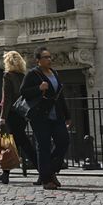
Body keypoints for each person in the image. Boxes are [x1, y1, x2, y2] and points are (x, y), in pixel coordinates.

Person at [20, 46, 70, 191]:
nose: (49, 59)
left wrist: (67, 115)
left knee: (64, 141)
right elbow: (23, 92)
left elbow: (60, 96)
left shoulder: (54, 73)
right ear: (38, 60)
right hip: (40, 116)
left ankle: (50, 170)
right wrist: (39, 88)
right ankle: (46, 179)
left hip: (57, 115)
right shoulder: (33, 74)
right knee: (43, 147)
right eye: (45, 57)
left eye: (50, 57)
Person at [0, 49, 36, 183]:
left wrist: (2, 117)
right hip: (22, 113)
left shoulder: (8, 76)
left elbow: (7, 98)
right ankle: (5, 173)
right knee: (16, 142)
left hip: (12, 114)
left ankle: (42, 169)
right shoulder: (23, 76)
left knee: (15, 142)